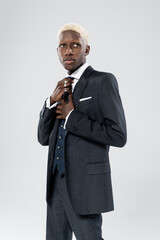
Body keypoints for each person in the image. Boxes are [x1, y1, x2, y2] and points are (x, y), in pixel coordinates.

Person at [37, 23, 127, 240]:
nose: (68, 50)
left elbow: (118, 135)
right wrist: (50, 102)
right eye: (63, 46)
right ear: (58, 51)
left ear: (86, 49)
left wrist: (72, 117)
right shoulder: (61, 87)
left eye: (75, 45)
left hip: (86, 187)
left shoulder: (103, 81)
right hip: (56, 185)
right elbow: (42, 138)